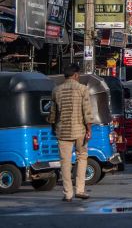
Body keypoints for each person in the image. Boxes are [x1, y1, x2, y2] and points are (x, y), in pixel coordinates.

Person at [48, 63, 92, 202]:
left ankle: (68, 194)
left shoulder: (56, 90)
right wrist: (89, 129)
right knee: (82, 157)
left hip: (62, 131)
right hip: (80, 130)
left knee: (65, 162)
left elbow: (53, 114)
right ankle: (80, 190)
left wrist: (53, 128)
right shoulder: (82, 89)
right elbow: (87, 111)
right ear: (76, 75)